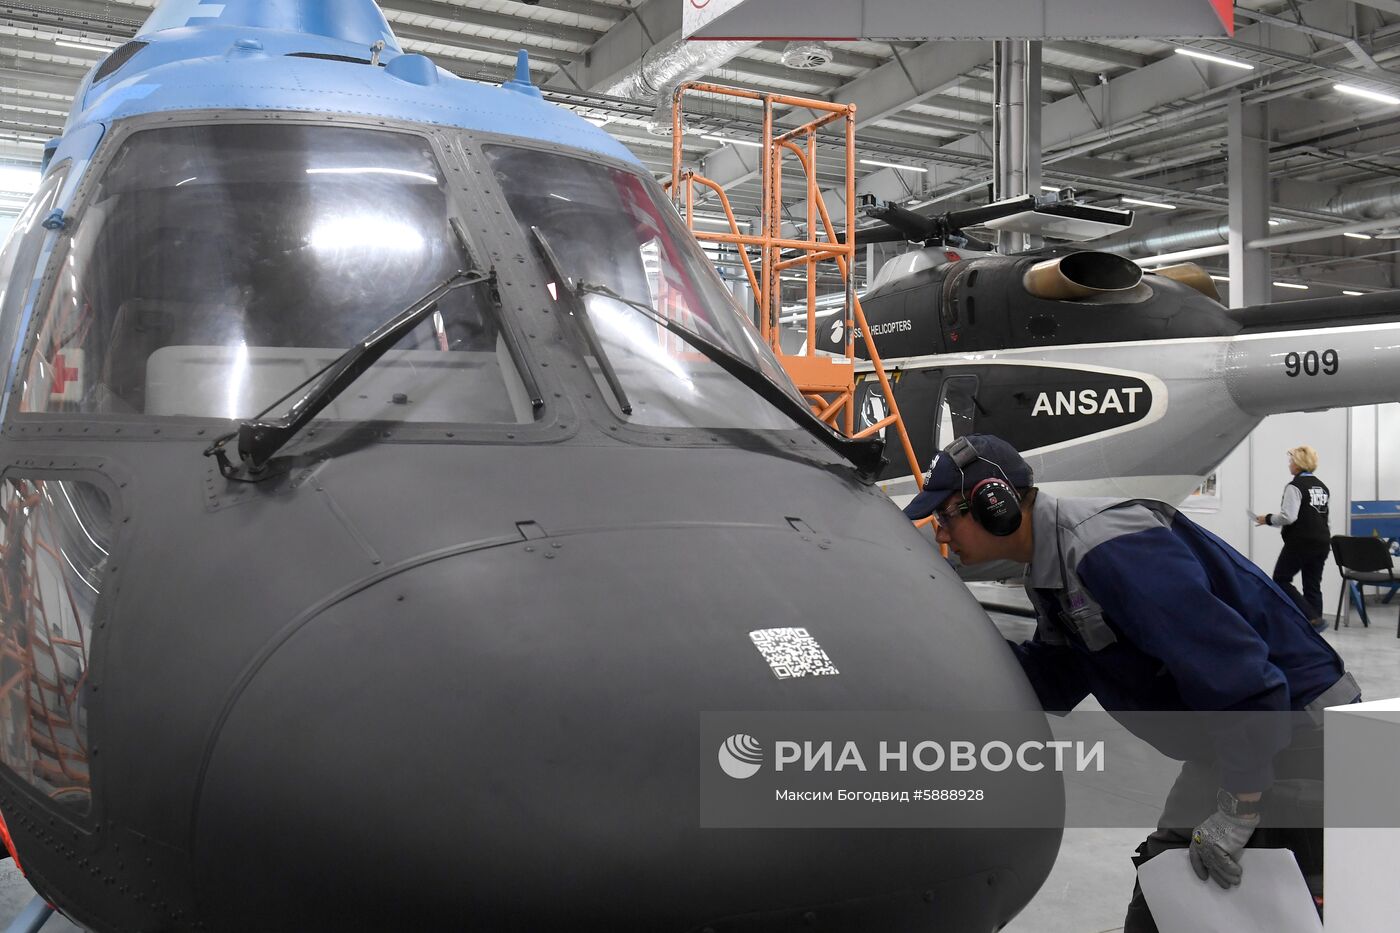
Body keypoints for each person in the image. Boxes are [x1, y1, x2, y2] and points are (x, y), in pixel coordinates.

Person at [904, 434, 1359, 933]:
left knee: (1303, 912)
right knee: (1165, 899)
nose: (942, 536)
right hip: (1238, 738)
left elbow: (1241, 674)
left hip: (1301, 733)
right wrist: (943, 644)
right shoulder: (1054, 568)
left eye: (946, 517)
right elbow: (1053, 679)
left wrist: (1239, 806)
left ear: (996, 504)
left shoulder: (1109, 546)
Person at [1256, 446, 1331, 632]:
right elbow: (1325, 518)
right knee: (1312, 585)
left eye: (1291, 461)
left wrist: (1267, 519)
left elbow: (1289, 517)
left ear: (1298, 464)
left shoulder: (1295, 486)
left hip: (1301, 540)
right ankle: (1316, 630)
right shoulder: (1322, 487)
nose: (1289, 465)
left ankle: (1313, 619)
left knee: (1281, 579)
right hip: (1322, 540)